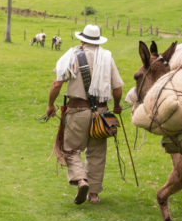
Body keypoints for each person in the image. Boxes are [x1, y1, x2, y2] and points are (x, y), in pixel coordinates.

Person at [46, 24, 124, 205]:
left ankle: (81, 179)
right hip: (102, 114)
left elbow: (57, 84)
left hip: (77, 111)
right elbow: (117, 88)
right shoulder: (107, 57)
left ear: (82, 39)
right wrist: (118, 106)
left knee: (71, 149)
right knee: (97, 153)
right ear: (98, 41)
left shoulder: (72, 55)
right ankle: (94, 194)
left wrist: (50, 105)